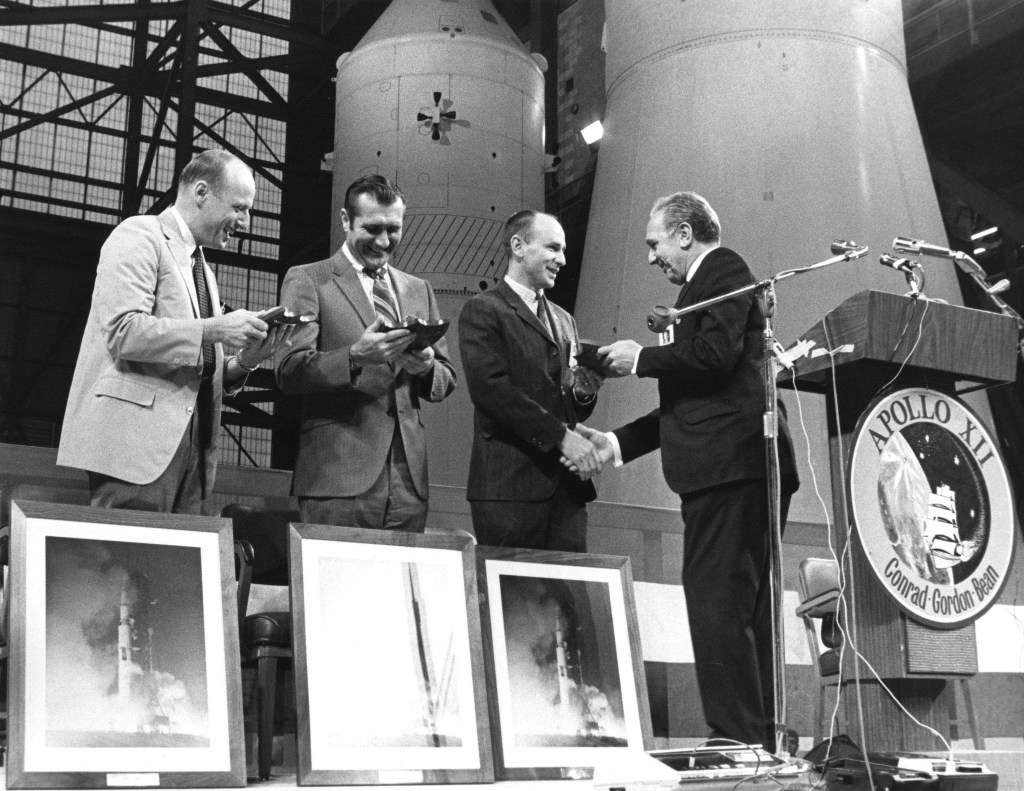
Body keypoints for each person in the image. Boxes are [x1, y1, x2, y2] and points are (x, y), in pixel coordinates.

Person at [580, 191, 799, 747]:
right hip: (733, 468)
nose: (653, 257)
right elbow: (694, 401)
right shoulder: (702, 289)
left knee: (718, 602)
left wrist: (642, 360)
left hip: (732, 470)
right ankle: (755, 740)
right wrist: (615, 443)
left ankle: (736, 740)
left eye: (655, 244)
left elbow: (715, 357)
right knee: (737, 607)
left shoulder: (722, 268)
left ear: (683, 233)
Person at [58, 149, 294, 514]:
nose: (245, 222)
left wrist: (247, 361)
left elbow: (198, 365)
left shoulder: (202, 269)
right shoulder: (138, 234)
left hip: (193, 459)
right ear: (201, 192)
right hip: (134, 453)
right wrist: (214, 328)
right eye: (239, 208)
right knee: (126, 565)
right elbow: (124, 332)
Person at [276, 175, 456, 532]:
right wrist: (355, 357)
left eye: (394, 229)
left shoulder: (419, 289)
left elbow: (446, 380)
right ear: (346, 220)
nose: (384, 241)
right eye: (372, 228)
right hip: (337, 478)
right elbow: (289, 371)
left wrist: (426, 366)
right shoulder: (309, 279)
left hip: (408, 483)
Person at [458, 210, 604, 552]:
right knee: (514, 600)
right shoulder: (483, 310)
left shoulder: (565, 320)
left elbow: (569, 408)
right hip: (509, 493)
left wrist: (583, 393)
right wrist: (561, 438)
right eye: (553, 248)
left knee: (567, 603)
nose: (562, 260)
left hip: (567, 495)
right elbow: (491, 391)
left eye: (564, 250)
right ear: (518, 246)